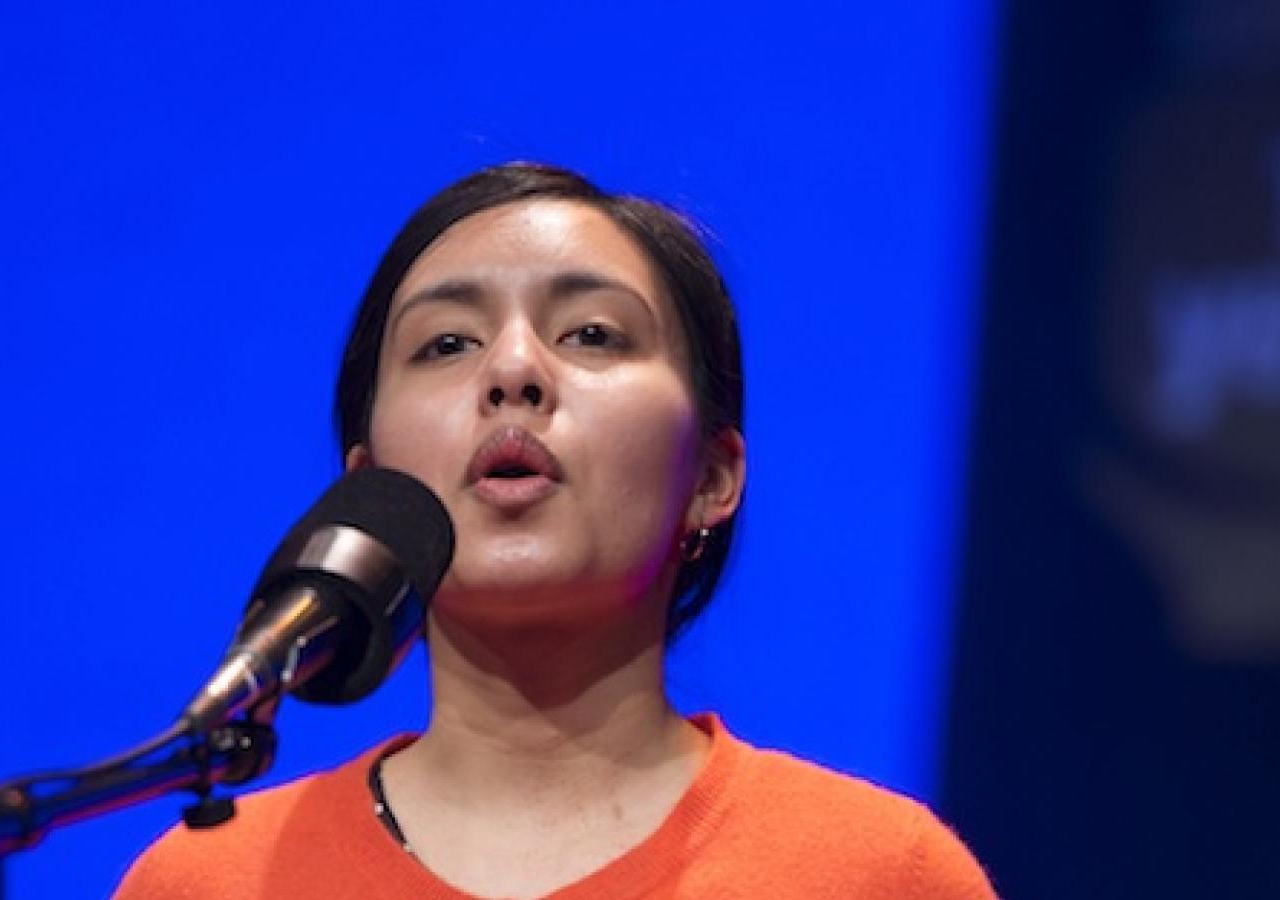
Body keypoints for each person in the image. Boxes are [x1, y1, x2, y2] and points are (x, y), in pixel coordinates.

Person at [113, 162, 996, 899]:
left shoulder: (878, 875)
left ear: (712, 477)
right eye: (448, 344)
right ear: (370, 494)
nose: (513, 370)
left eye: (592, 334)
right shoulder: (219, 883)